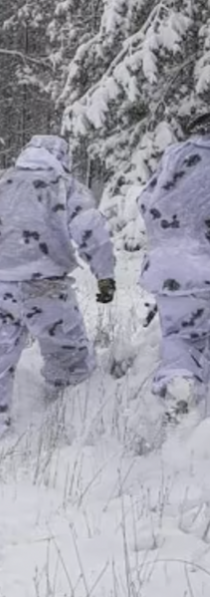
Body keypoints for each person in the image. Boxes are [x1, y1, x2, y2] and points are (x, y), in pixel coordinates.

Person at [0, 135, 117, 462]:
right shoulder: (65, 186)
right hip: (47, 287)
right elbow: (91, 230)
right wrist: (105, 275)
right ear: (61, 158)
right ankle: (65, 414)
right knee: (69, 354)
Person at [136, 112, 210, 423]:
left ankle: (180, 386)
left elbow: (145, 202)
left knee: (181, 337)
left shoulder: (174, 157)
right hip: (204, 259)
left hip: (172, 268)